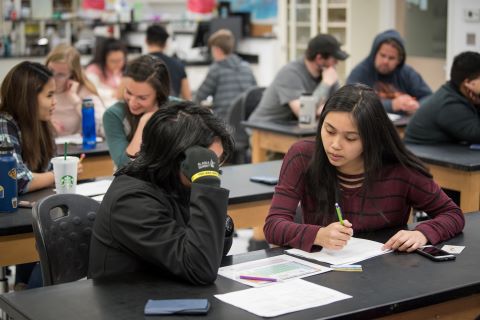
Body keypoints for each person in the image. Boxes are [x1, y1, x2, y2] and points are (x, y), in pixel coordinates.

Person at [263, 84, 464, 253]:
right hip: (322, 271)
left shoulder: (400, 169)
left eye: (350, 138)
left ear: (371, 138)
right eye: (329, 130)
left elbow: (452, 214)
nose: (334, 144)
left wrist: (422, 233)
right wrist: (318, 235)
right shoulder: (303, 155)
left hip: (384, 273)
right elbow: (273, 226)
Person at [89, 101, 235, 285]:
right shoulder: (131, 201)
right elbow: (200, 268)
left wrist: (222, 222)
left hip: (168, 292)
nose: (214, 170)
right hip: (127, 306)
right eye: (208, 163)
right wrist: (207, 182)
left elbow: (214, 250)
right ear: (177, 159)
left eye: (217, 163)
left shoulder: (173, 183)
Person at [0, 61, 81, 289]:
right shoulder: (3, 124)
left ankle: (24, 288)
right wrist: (60, 175)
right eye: (49, 95)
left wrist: (53, 174)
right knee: (57, 245)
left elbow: (40, 172)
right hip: (6, 216)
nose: (54, 102)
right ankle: (29, 301)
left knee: (53, 237)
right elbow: (18, 179)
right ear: (28, 97)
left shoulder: (39, 125)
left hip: (25, 211)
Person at [248, 34, 348, 124]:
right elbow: (305, 114)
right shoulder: (290, 73)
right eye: (334, 60)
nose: (336, 63)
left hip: (295, 128)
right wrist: (325, 84)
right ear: (319, 58)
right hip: (265, 128)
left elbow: (337, 106)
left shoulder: (327, 73)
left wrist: (321, 108)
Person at [102, 55, 171, 169]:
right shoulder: (113, 115)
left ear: (158, 94)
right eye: (129, 92)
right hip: (131, 183)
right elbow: (124, 166)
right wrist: (144, 122)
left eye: (142, 98)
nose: (132, 102)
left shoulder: (177, 109)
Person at [346, 29, 432, 115]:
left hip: (403, 126)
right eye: (382, 55)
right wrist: (392, 105)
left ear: (399, 60)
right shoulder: (360, 73)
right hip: (370, 126)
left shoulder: (407, 73)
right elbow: (351, 103)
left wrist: (417, 106)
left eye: (391, 58)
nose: (385, 61)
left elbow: (429, 97)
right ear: (375, 54)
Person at [405, 51, 480, 144]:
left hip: (437, 150)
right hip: (421, 153)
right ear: (468, 82)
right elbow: (476, 134)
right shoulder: (449, 104)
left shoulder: (457, 93)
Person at [195, 29, 257, 120]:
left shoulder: (216, 69)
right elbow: (254, 94)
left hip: (223, 124)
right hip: (245, 123)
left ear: (217, 50)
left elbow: (199, 97)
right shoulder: (247, 67)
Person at [46, 44, 106, 137]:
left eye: (61, 74)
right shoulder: (37, 89)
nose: (52, 78)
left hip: (75, 149)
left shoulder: (84, 91)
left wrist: (76, 101)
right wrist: (46, 125)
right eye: (50, 71)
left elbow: (104, 128)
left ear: (72, 75)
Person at [146, 24, 192, 100]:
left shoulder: (137, 65)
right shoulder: (178, 65)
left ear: (146, 40)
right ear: (165, 44)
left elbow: (121, 95)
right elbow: (187, 97)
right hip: (171, 109)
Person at [86, 37, 127, 108]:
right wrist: (112, 93)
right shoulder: (93, 70)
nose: (118, 64)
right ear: (104, 59)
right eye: (113, 61)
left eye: (120, 60)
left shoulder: (124, 69)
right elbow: (91, 91)